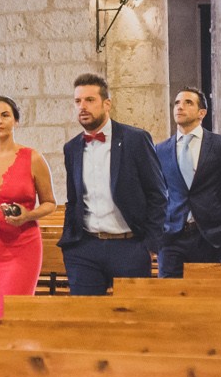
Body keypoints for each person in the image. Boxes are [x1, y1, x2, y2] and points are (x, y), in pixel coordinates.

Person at [58, 72, 166, 296]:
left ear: (107, 104)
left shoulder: (135, 139)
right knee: (87, 321)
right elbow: (74, 199)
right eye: (77, 101)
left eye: (90, 100)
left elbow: (157, 194)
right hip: (84, 248)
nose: (82, 107)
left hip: (129, 246)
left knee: (131, 320)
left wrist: (149, 246)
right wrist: (71, 244)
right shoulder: (72, 148)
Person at [0, 95, 58, 317]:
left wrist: (28, 215)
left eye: (5, 115)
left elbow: (50, 203)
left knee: (15, 311)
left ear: (15, 121)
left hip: (23, 245)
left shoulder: (33, 158)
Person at [156, 87, 221, 278]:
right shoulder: (162, 149)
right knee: (168, 300)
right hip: (171, 239)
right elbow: (154, 194)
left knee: (207, 301)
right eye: (177, 103)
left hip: (209, 237)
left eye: (188, 103)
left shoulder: (220, 146)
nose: (180, 107)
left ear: (202, 113)